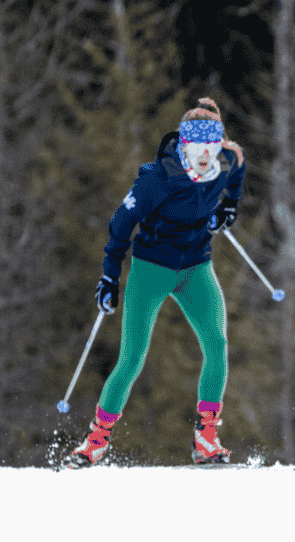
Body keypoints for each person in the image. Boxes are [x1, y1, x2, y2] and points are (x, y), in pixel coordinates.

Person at [67, 98, 247, 468]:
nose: (202, 159)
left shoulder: (226, 161)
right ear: (183, 145)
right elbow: (120, 224)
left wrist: (230, 206)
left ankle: (206, 437)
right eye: (195, 150)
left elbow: (238, 170)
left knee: (217, 343)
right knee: (133, 357)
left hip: (196, 267)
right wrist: (109, 276)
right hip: (152, 268)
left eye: (210, 150)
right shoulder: (158, 178)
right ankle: (96, 440)